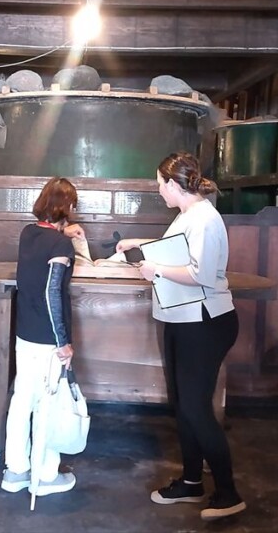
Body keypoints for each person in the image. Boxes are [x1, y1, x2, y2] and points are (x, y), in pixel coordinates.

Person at [116, 152, 244, 521]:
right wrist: (139, 245)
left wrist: (154, 268)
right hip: (183, 319)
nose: (159, 191)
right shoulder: (188, 216)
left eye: (160, 185)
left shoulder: (204, 219)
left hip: (204, 323)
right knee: (183, 404)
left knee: (196, 408)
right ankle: (191, 482)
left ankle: (228, 492)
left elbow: (200, 273)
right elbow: (177, 248)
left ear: (174, 184)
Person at [0, 177, 86, 498]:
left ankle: (16, 470)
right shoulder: (60, 246)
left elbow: (43, 250)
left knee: (22, 399)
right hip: (48, 337)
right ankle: (46, 475)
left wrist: (65, 232)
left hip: (25, 331)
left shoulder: (28, 233)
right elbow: (53, 295)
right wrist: (63, 341)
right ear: (68, 207)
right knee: (48, 403)